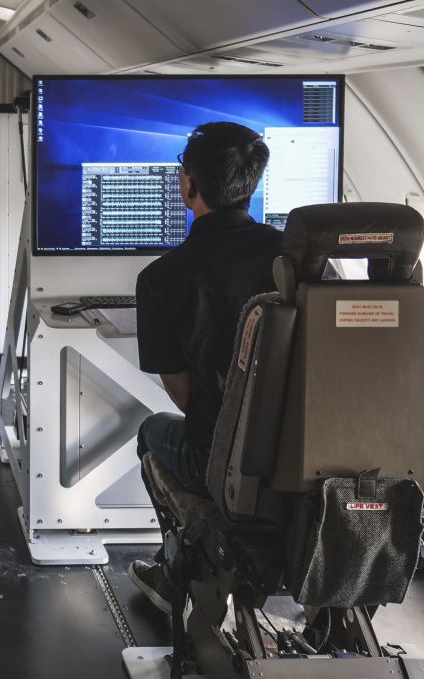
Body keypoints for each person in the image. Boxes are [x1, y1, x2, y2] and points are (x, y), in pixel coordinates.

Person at [129, 122, 281, 614]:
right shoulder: (300, 261)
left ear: (188, 184)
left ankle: (177, 578)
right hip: (311, 462)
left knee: (152, 431)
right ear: (251, 183)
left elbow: (185, 398)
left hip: (225, 465)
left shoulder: (160, 280)